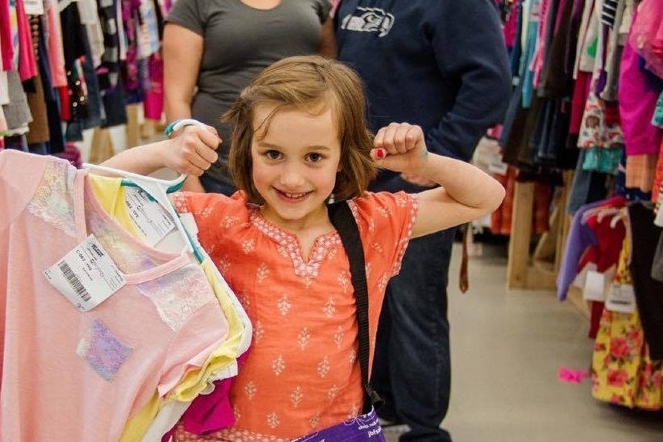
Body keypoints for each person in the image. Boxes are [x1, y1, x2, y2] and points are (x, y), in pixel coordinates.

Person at [103, 55, 505, 440]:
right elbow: (99, 195)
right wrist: (162, 153)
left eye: (314, 157)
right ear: (247, 150)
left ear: (343, 158)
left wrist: (425, 164)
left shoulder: (371, 223)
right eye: (273, 154)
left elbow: (484, 197)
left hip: (334, 433)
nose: (292, 178)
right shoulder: (219, 220)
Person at [335, 0, 513, 441]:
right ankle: (382, 402)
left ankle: (424, 428)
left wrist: (431, 163)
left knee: (414, 307)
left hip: (416, 186)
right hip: (355, 179)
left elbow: (488, 84)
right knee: (368, 299)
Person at [163, 0, 335, 196]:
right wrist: (187, 177)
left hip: (301, 174)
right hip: (221, 172)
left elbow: (330, 70)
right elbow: (177, 97)